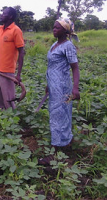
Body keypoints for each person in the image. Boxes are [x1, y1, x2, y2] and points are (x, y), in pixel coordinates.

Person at [38, 17, 80, 165]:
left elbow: (75, 68)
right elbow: (52, 67)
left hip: (63, 87)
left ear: (65, 30)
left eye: (57, 27)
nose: (54, 29)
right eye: (54, 27)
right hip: (54, 86)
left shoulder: (68, 46)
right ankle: (63, 143)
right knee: (58, 114)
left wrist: (75, 88)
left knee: (59, 115)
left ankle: (55, 151)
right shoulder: (55, 44)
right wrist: (48, 84)